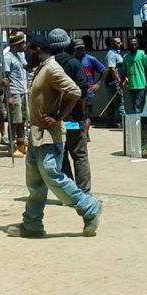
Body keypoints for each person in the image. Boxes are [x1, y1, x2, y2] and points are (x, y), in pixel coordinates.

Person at [7, 34, 102, 238]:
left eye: (27, 51)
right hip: (36, 135)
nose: (25, 55)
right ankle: (32, 224)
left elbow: (75, 92)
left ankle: (89, 208)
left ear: (37, 50)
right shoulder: (42, 68)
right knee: (35, 184)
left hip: (49, 136)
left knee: (52, 175)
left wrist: (59, 117)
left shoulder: (52, 68)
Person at [50, 29, 93, 194]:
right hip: (74, 118)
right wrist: (80, 113)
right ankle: (84, 192)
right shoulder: (74, 63)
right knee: (80, 156)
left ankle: (70, 191)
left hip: (54, 120)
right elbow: (83, 90)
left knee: (62, 157)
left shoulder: (48, 65)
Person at [73, 38, 105, 141]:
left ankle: (85, 134)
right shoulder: (72, 60)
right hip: (75, 90)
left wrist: (98, 84)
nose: (80, 51)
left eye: (82, 48)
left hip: (88, 91)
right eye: (78, 49)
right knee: (77, 114)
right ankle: (80, 133)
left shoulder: (90, 59)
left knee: (86, 114)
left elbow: (103, 71)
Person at [3, 32, 28, 157]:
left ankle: (21, 145)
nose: (25, 45)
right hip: (14, 92)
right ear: (18, 44)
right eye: (23, 43)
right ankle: (11, 147)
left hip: (23, 92)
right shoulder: (8, 57)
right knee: (14, 121)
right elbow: (5, 79)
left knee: (22, 120)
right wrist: (9, 96)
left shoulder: (20, 56)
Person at [122, 37, 147, 114]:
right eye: (132, 44)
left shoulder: (142, 54)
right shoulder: (126, 57)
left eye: (135, 44)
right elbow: (124, 71)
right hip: (131, 85)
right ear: (128, 45)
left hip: (141, 85)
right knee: (134, 105)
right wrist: (123, 81)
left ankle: (138, 122)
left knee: (138, 105)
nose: (134, 46)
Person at [103, 36, 125, 128]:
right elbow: (112, 69)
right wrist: (119, 81)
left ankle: (110, 122)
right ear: (112, 44)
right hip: (113, 82)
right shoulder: (111, 54)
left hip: (117, 80)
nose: (120, 44)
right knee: (120, 102)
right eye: (118, 42)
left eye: (120, 42)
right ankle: (123, 122)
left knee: (112, 102)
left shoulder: (118, 53)